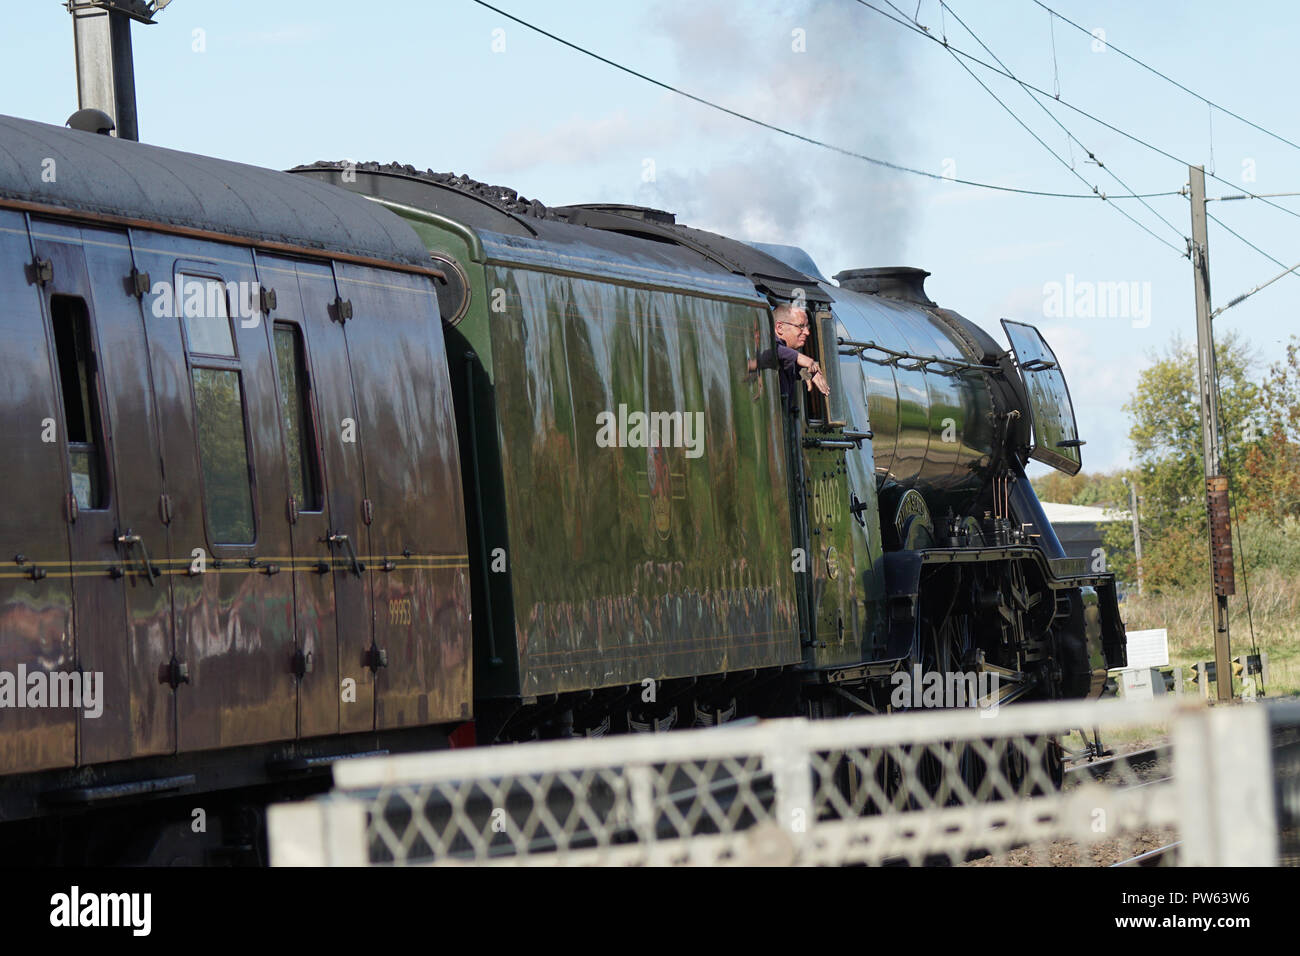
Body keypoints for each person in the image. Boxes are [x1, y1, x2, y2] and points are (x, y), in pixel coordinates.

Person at [756, 302, 829, 415]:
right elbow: (770, 352)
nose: (807, 332)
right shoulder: (766, 345)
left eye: (807, 327)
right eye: (801, 326)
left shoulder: (785, 355)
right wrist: (798, 356)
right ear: (779, 327)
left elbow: (791, 366)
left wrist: (810, 373)